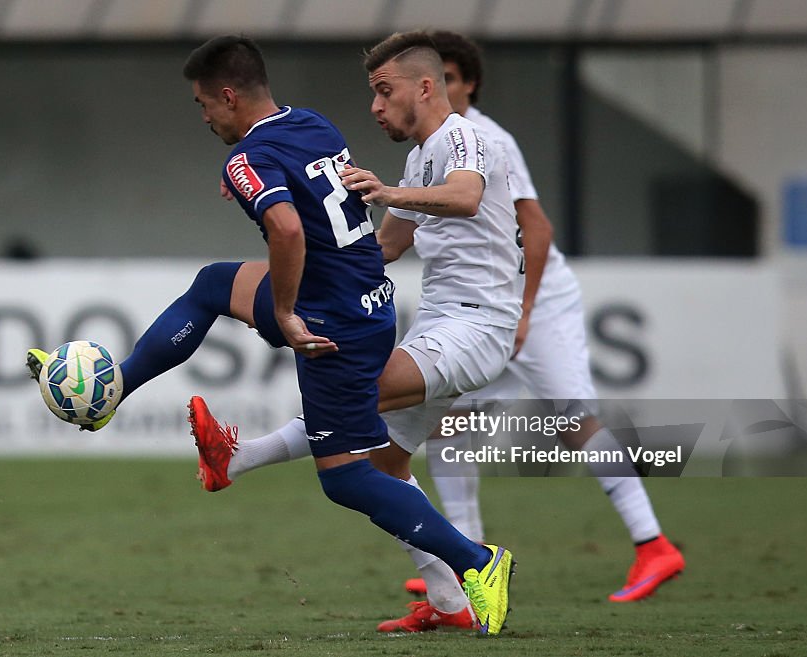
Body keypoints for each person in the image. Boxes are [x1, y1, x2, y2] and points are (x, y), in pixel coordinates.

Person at [25, 35, 513, 636]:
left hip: (338, 316)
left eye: (204, 104)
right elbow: (362, 237)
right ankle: (120, 391)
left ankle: (477, 561)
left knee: (346, 476)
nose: (203, 116)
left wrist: (285, 311)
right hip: (359, 300)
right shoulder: (311, 124)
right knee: (213, 287)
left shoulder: (445, 141)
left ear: (229, 97)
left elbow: (287, 228)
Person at [188, 31, 525, 633]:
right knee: (385, 464)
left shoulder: (464, 137)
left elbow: (467, 197)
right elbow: (381, 248)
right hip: (445, 324)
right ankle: (451, 606)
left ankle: (239, 459)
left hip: (478, 325)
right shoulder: (421, 158)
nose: (374, 106)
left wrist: (389, 192)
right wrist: (271, 201)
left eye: (383, 90)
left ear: (425, 87)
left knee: (349, 410)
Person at [402, 30, 684, 607]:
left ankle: (653, 544)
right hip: (485, 307)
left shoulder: (484, 139)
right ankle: (466, 557)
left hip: (529, 300)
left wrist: (524, 314)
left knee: (575, 421)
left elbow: (538, 229)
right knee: (450, 433)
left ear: (467, 83)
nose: (442, 89)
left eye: (451, 78)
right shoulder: (432, 145)